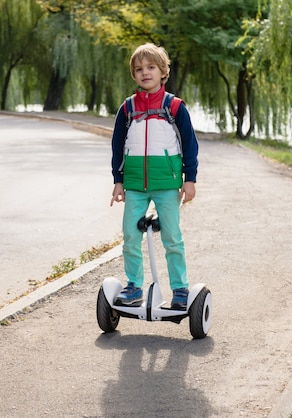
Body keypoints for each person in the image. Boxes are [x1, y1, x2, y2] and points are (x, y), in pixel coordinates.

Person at [110, 43, 199, 310]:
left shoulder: (174, 106)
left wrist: (189, 178)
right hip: (135, 184)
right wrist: (118, 180)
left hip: (167, 183)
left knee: (172, 236)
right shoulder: (128, 109)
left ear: (163, 72)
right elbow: (117, 145)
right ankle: (134, 285)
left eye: (151, 67)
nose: (144, 72)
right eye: (139, 69)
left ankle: (180, 288)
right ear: (133, 74)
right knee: (129, 236)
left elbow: (190, 143)